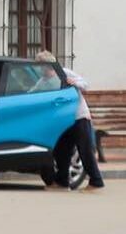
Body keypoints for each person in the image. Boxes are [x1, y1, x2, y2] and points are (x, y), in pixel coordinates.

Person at [37, 49, 104, 191]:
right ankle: (62, 183)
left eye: (42, 65)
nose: (41, 69)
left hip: (79, 117)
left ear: (49, 65)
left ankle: (96, 181)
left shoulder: (65, 73)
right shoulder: (43, 82)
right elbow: (33, 93)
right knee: (61, 151)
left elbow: (85, 84)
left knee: (84, 150)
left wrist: (74, 82)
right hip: (63, 122)